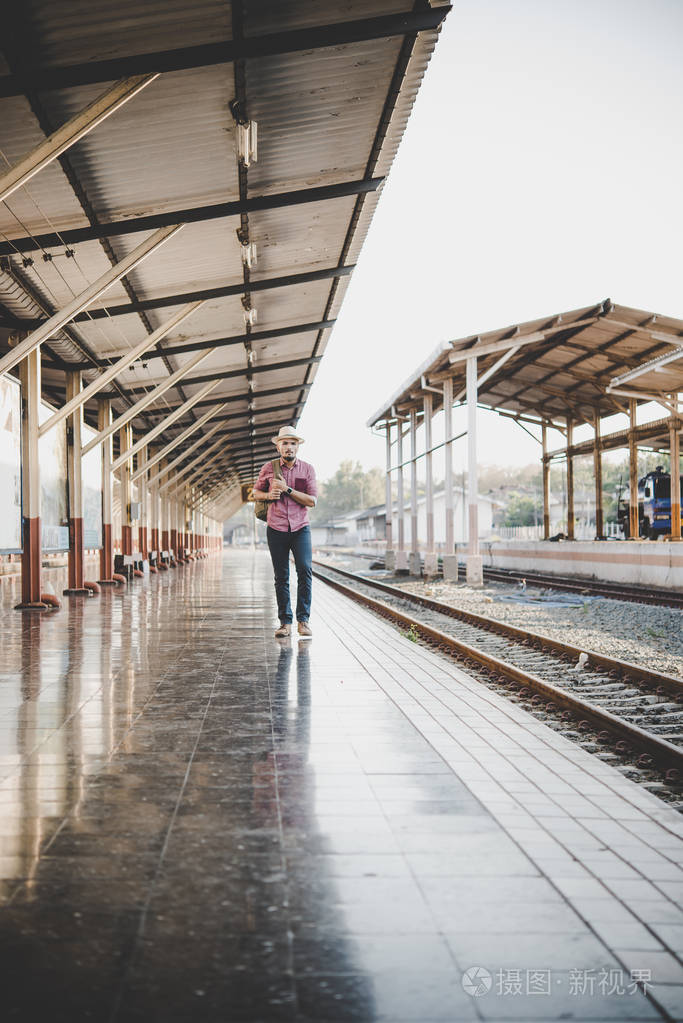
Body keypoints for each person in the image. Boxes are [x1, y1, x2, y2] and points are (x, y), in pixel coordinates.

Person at [252, 426, 317, 639]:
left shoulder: (307, 469)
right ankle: (285, 622)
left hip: (300, 528)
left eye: (292, 443)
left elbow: (312, 501)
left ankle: (303, 620)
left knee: (305, 570)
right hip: (276, 527)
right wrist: (268, 495)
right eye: (285, 443)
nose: (289, 447)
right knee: (281, 576)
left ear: (297, 447)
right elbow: (254, 492)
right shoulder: (268, 468)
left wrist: (287, 489)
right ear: (278, 446)